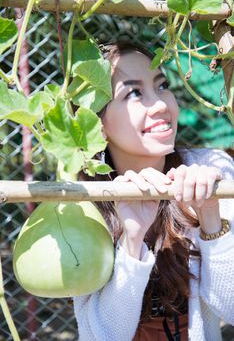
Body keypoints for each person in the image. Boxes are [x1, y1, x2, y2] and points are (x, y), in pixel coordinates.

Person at [73, 42, 234, 341]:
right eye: (134, 92)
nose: (161, 104)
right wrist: (132, 241)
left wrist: (211, 217)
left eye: (162, 86)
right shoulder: (83, 203)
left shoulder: (213, 169)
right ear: (95, 124)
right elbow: (101, 336)